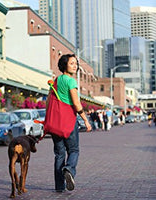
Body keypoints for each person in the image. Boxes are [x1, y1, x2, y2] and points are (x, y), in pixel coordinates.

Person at [46, 54, 91, 192]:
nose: (75, 66)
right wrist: (85, 120)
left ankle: (59, 187)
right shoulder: (71, 81)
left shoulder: (56, 80)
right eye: (72, 63)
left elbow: (48, 102)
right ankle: (69, 170)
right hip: (68, 122)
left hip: (55, 124)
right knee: (74, 150)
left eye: (76, 63)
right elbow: (76, 103)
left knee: (59, 154)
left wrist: (48, 119)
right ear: (64, 65)